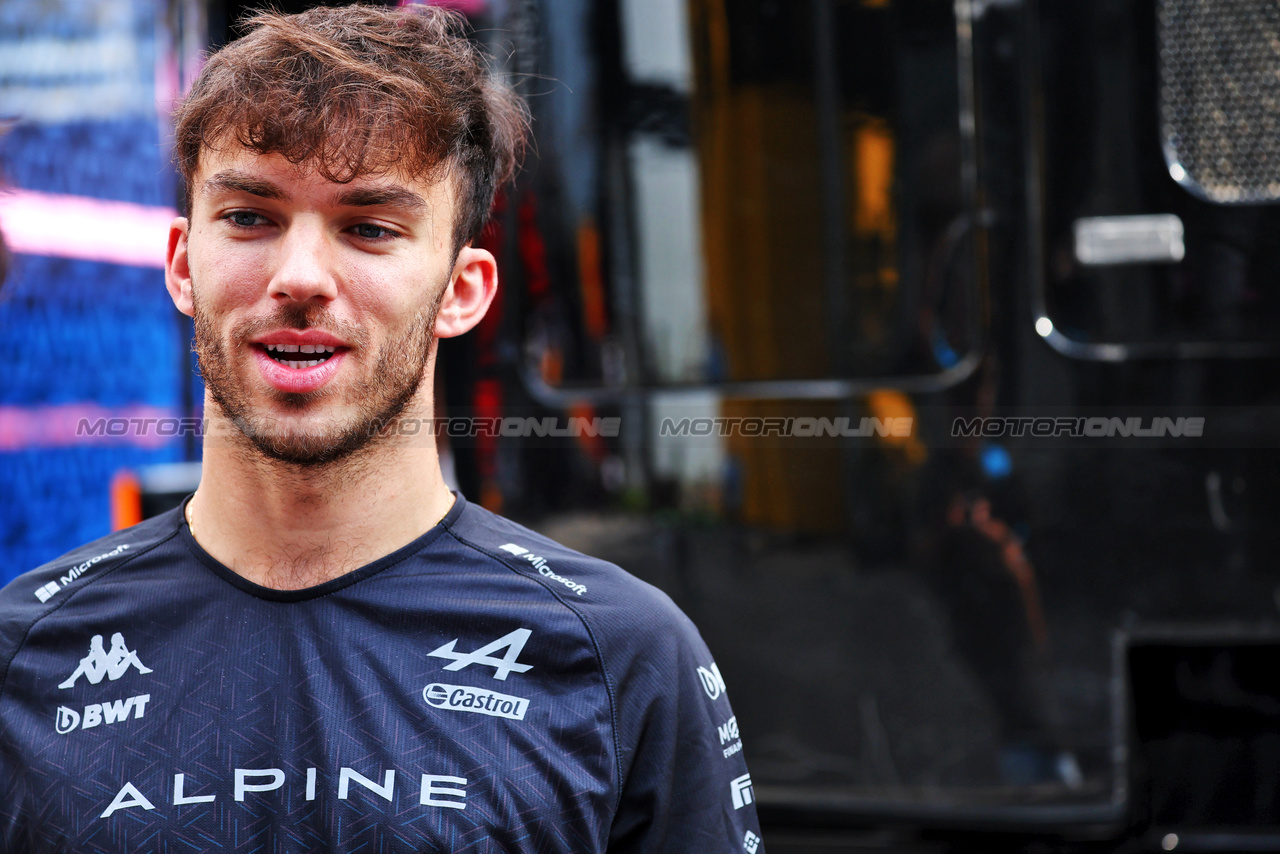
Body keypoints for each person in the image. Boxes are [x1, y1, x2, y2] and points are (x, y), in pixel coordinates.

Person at [0, 6, 763, 852]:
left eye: (369, 227)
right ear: (183, 264)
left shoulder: (621, 658)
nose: (299, 278)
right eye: (250, 217)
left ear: (463, 291)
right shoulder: (24, 654)